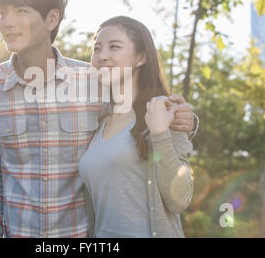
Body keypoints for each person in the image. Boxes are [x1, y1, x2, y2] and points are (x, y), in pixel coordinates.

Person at [0, 0, 197, 238]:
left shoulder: (94, 82)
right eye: (3, 12)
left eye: (21, 10)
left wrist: (186, 118)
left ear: (52, 18)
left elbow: (143, 108)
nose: (7, 22)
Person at [79, 16, 194, 238]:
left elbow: (180, 199)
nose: (102, 56)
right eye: (97, 48)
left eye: (115, 47)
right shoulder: (98, 120)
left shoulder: (166, 113)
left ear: (141, 57)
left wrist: (160, 133)